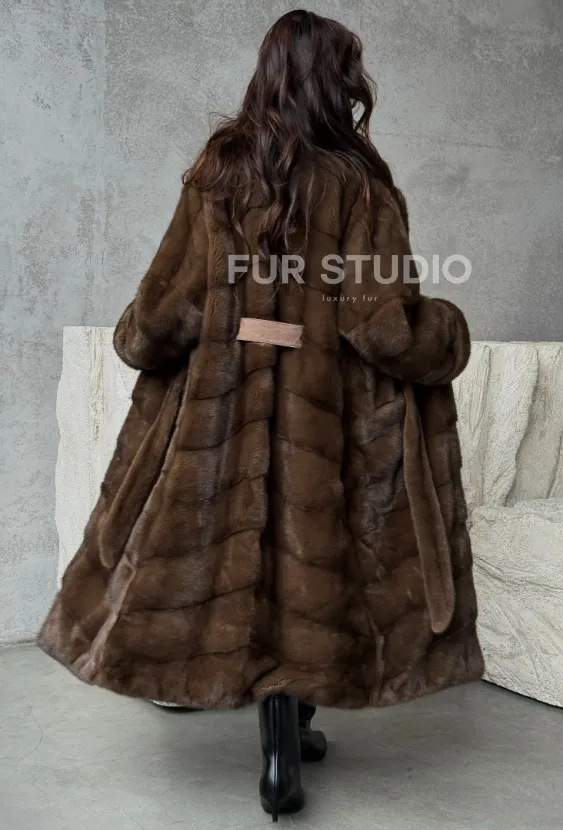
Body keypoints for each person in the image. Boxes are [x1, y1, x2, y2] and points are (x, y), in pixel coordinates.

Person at [37, 8, 484, 821]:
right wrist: (445, 334)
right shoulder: (360, 184)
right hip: (327, 427)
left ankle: (278, 746)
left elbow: (162, 314)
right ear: (332, 81)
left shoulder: (217, 172)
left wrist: (144, 335)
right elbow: (380, 325)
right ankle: (289, 740)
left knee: (240, 563)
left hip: (220, 421)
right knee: (311, 568)